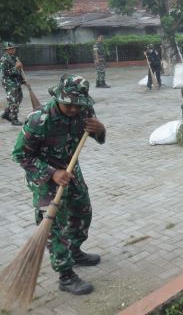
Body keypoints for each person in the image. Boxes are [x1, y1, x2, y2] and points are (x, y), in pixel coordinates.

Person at [12, 75, 106, 295]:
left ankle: (75, 250)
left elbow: (97, 137)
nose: (74, 109)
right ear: (58, 97)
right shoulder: (39, 120)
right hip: (45, 176)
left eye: (78, 104)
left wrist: (100, 129)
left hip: (71, 169)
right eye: (68, 103)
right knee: (54, 226)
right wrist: (53, 173)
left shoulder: (83, 110)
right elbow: (20, 156)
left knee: (83, 210)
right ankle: (65, 274)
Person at [0, 41, 24, 125]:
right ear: (8, 50)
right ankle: (14, 119)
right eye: (12, 48)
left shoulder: (13, 57)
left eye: (14, 48)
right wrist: (16, 67)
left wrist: (22, 79)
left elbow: (18, 70)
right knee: (13, 100)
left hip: (16, 81)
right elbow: (6, 73)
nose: (14, 49)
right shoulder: (4, 59)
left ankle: (7, 113)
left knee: (20, 97)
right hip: (9, 82)